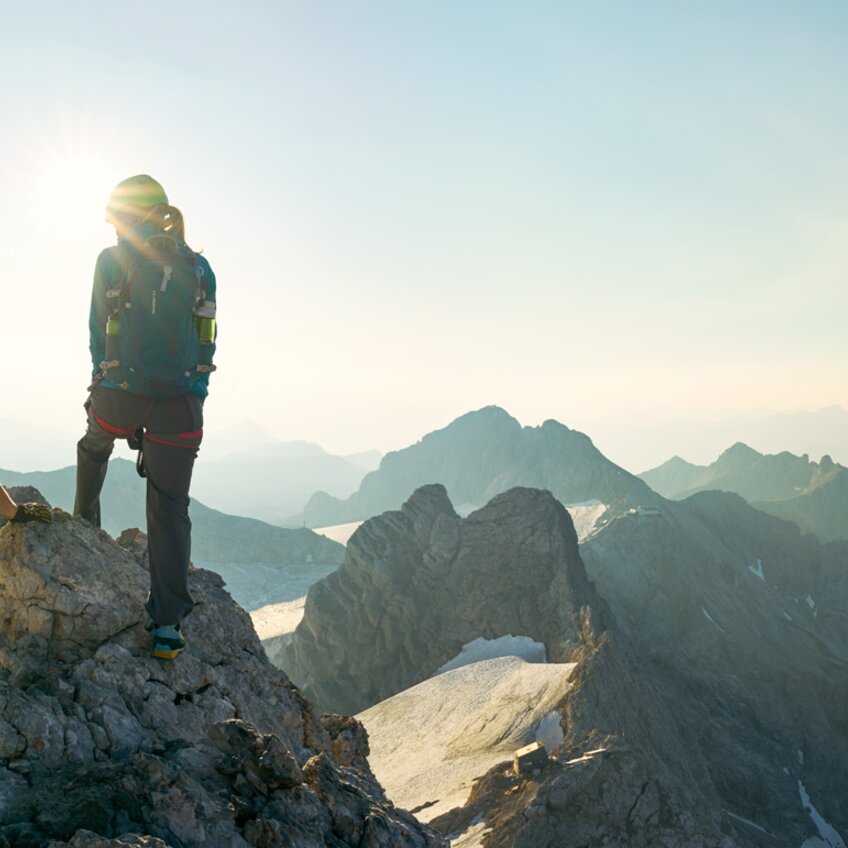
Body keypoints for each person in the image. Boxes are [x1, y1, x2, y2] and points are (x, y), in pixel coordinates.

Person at [74, 175, 217, 660]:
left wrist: (106, 384)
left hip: (119, 400)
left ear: (125, 216)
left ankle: (84, 532)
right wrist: (193, 393)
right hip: (181, 408)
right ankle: (168, 627)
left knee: (93, 448)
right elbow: (207, 339)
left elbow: (98, 333)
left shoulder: (110, 260)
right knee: (170, 506)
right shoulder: (199, 267)